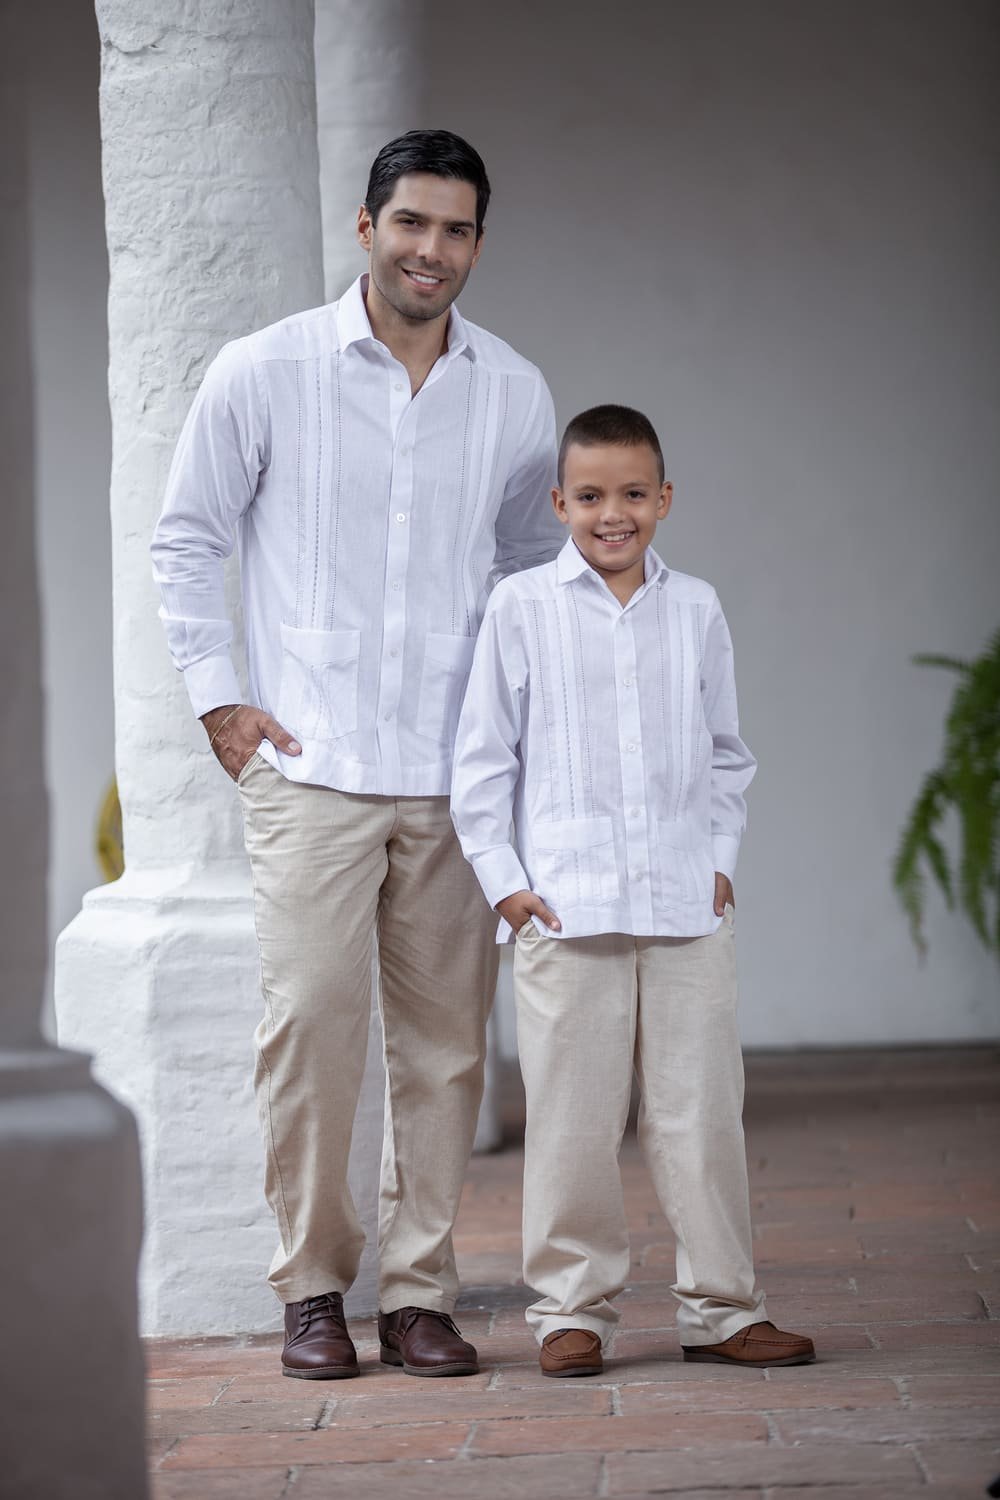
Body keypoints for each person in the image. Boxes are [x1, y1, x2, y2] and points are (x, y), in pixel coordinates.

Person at [151, 130, 561, 1380]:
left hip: (451, 777)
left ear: (477, 244)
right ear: (366, 227)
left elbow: (530, 566)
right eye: (411, 223)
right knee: (312, 1035)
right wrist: (221, 704)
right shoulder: (264, 370)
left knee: (445, 1049)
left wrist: (517, 735)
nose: (432, 250)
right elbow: (187, 538)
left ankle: (421, 1294)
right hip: (311, 768)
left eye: (456, 230)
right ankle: (315, 1290)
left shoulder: (513, 392)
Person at [451, 404, 815, 1377]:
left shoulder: (694, 608)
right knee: (572, 1119)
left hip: (684, 904)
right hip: (564, 909)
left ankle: (724, 1309)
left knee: (702, 1114)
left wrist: (720, 858)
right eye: (590, 495)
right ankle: (572, 1310)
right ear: (559, 502)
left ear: (664, 499)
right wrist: (506, 886)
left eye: (632, 493)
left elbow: (727, 752)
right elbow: (482, 760)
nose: (612, 513)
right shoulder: (521, 607)